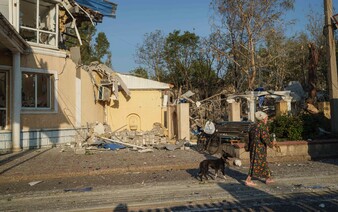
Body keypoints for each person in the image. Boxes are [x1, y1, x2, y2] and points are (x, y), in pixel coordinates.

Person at [245, 111, 276, 187]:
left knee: (263, 162)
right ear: (263, 119)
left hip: (253, 147)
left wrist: (248, 147)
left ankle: (268, 178)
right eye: (266, 118)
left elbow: (247, 137)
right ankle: (248, 180)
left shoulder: (253, 126)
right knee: (255, 163)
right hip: (259, 148)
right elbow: (265, 138)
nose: (267, 119)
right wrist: (272, 144)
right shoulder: (262, 126)